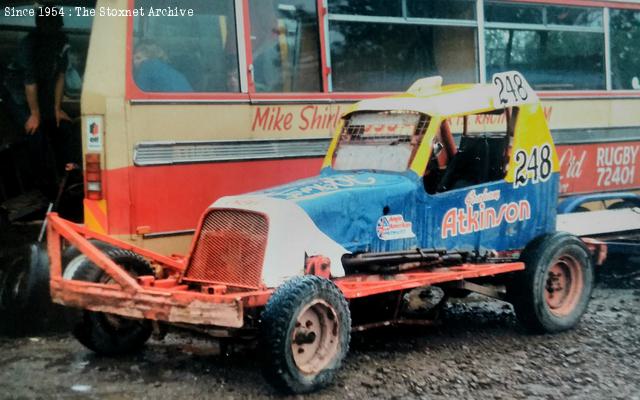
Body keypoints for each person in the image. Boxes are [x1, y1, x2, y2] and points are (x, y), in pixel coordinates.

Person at [1, 8, 78, 191]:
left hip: (41, 91)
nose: (58, 26)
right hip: (17, 93)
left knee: (63, 126)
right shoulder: (29, 44)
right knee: (35, 132)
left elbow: (60, 75)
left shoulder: (61, 40)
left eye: (58, 22)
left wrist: (57, 108)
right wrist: (34, 114)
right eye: (52, 22)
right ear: (41, 24)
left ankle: (69, 176)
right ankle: (42, 184)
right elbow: (30, 81)